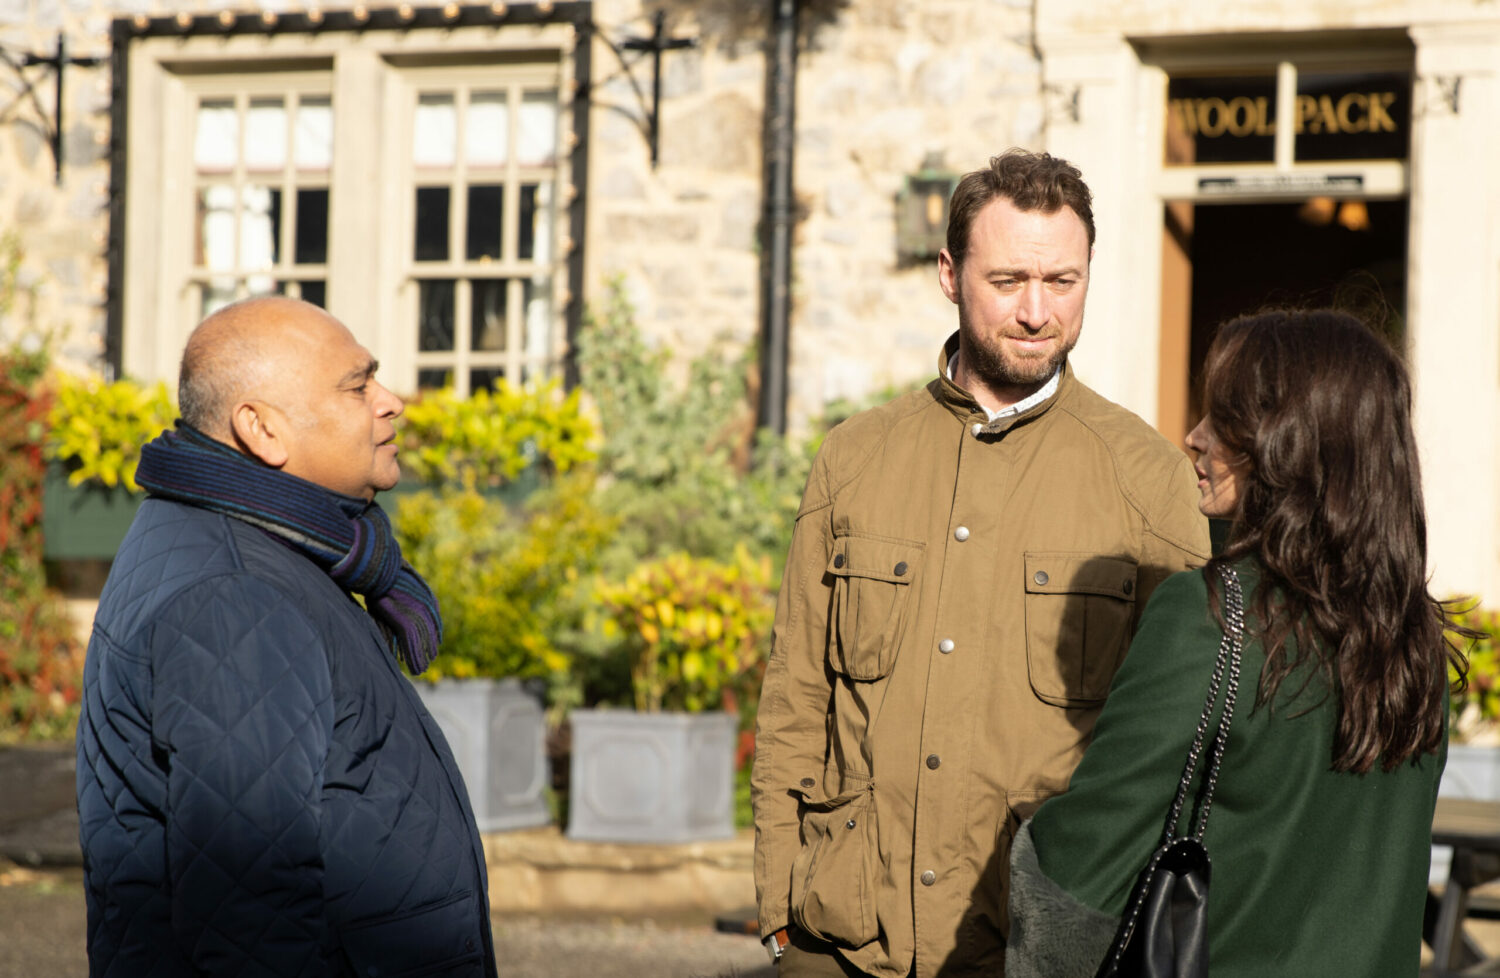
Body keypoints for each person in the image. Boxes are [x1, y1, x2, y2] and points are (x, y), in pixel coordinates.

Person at [750, 149, 1211, 978]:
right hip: (842, 941)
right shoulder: (854, 458)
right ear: (948, 273)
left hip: (1033, 949)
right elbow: (796, 695)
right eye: (1008, 281)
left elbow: (1182, 741)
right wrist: (781, 910)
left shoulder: (1150, 481)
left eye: (1062, 282)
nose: (1037, 312)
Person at [1006, 309, 1464, 977]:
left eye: (1221, 420)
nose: (1192, 439)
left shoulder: (1208, 614)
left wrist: (1025, 838)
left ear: (1287, 442)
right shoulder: (1415, 636)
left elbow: (1079, 876)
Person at [75, 296, 498, 977]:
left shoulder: (259, 545)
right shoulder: (235, 595)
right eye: (358, 387)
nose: (391, 402)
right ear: (262, 429)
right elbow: (248, 909)